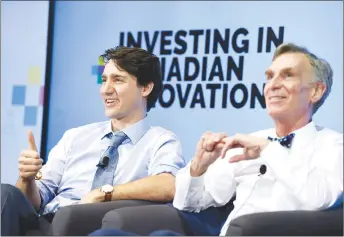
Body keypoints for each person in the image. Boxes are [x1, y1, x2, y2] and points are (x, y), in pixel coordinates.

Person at [89, 42, 343, 236]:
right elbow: (193, 203)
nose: (272, 85)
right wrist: (199, 168)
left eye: (287, 75)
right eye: (269, 76)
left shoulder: (333, 146)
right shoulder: (249, 141)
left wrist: (270, 151)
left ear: (316, 91)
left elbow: (319, 198)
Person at [1, 46, 185, 236]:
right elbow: (35, 200)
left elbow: (168, 184)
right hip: (45, 223)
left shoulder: (160, 140)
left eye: (118, 80)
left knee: (70, 217)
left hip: (92, 227)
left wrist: (104, 193)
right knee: (5, 193)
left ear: (146, 88)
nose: (105, 90)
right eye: (104, 80)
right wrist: (27, 178)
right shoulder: (76, 137)